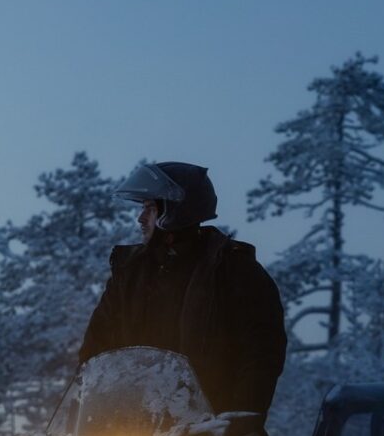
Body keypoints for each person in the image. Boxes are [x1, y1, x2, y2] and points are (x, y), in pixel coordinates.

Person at [77, 161, 287, 421]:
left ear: (176, 210)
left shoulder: (235, 272)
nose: (140, 218)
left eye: (150, 209)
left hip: (209, 430)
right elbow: (96, 349)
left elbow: (260, 356)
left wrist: (238, 421)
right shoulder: (129, 274)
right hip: (132, 428)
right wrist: (83, 414)